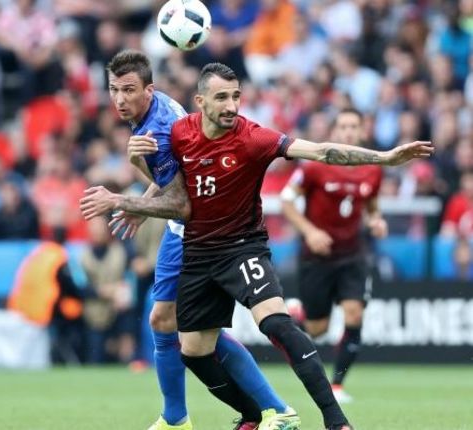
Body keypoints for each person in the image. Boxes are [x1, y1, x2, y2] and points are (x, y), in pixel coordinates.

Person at [80, 62, 433, 430]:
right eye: (222, 98)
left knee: (277, 324)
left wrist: (386, 158)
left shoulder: (254, 138)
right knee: (194, 352)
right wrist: (140, 163)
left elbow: (323, 151)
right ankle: (257, 414)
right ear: (200, 101)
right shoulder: (179, 133)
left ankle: (335, 420)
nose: (232, 106)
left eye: (236, 97)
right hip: (199, 253)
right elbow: (175, 187)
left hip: (242, 247)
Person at [104, 50, 295, 430]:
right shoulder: (152, 110)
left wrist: (128, 198)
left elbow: (182, 203)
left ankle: (273, 409)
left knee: (185, 328)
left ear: (148, 89)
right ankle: (178, 417)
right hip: (191, 227)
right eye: (113, 90)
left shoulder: (154, 130)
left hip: (195, 232)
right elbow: (173, 179)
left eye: (128, 90)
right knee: (170, 321)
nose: (120, 99)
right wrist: (142, 204)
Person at [280, 108, 385, 404]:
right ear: (334, 132)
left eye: (354, 126)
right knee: (318, 329)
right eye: (343, 127)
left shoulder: (373, 168)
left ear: (362, 131)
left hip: (352, 255)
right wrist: (310, 232)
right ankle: (300, 314)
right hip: (317, 257)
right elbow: (287, 201)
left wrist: (376, 220)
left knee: (355, 313)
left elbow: (371, 206)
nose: (349, 132)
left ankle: (337, 385)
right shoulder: (315, 165)